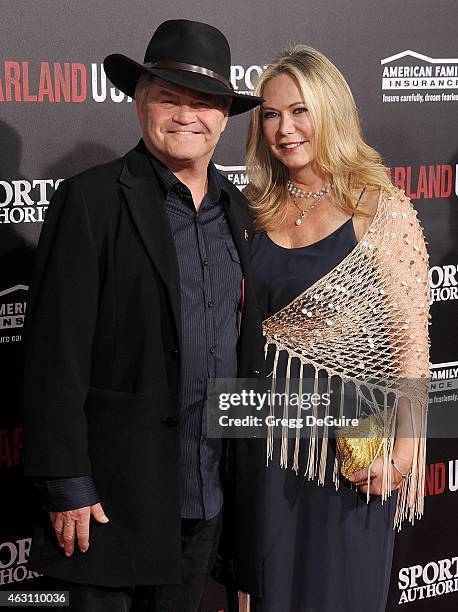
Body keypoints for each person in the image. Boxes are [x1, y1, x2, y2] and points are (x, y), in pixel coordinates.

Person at [21, 19, 265, 612]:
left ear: (226, 116)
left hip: (208, 495)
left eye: (204, 102)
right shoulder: (93, 200)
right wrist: (67, 482)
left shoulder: (244, 212)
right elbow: (55, 355)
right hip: (111, 499)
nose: (188, 115)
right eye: (169, 98)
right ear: (139, 103)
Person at [239, 45, 430, 612]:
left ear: (331, 112)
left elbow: (412, 349)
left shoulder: (381, 209)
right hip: (263, 437)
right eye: (270, 115)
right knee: (269, 592)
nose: (285, 128)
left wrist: (403, 454)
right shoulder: (248, 211)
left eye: (300, 111)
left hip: (352, 441)